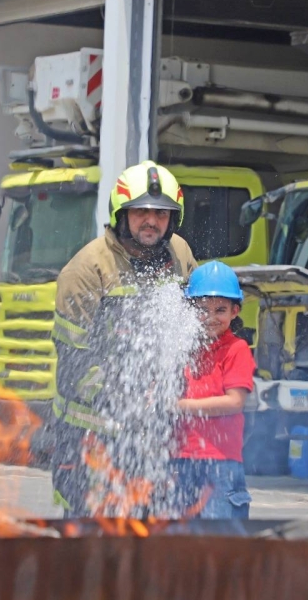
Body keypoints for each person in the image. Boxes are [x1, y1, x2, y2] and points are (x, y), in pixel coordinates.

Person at [50, 160, 198, 516]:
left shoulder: (180, 254)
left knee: (152, 534)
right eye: (141, 212)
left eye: (161, 214)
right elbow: (73, 361)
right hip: (90, 436)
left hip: (153, 431)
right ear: (121, 213)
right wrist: (124, 398)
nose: (152, 221)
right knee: (93, 541)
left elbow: (195, 324)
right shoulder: (86, 269)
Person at [172, 261, 255, 519]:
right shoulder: (184, 348)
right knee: (181, 539)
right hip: (182, 458)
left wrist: (181, 406)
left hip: (221, 463)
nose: (210, 317)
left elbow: (235, 402)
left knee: (220, 541)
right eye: (202, 309)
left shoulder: (236, 349)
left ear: (235, 311)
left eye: (220, 309)